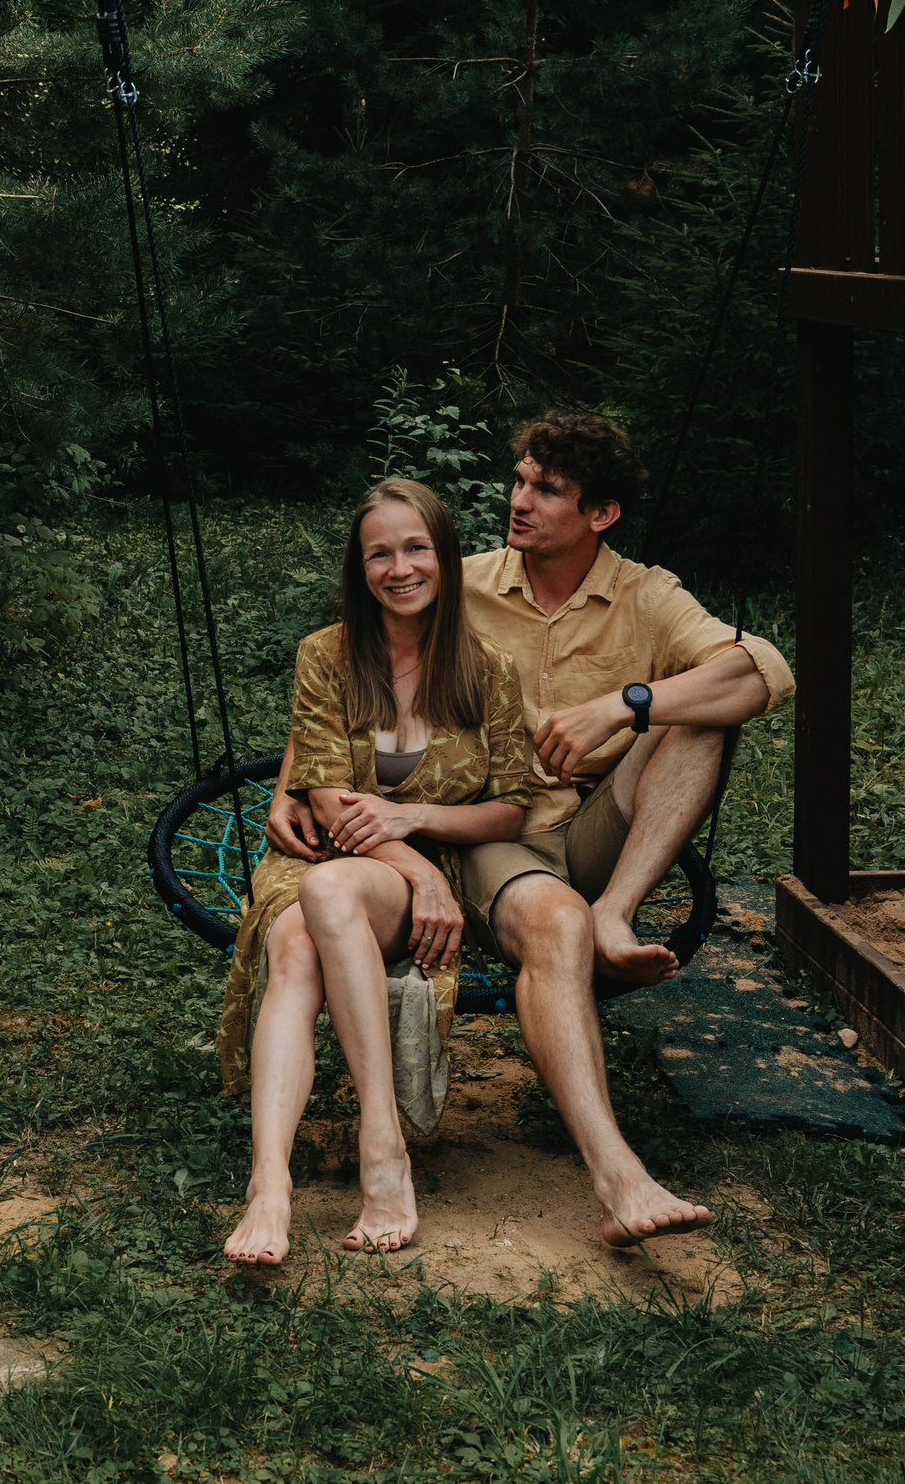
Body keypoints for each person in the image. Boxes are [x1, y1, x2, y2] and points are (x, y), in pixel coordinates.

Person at [268, 413, 793, 1248]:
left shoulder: (648, 598)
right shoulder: (456, 577)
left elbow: (764, 671)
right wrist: (295, 777)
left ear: (601, 514)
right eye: (519, 480)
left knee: (702, 711)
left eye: (547, 489)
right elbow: (353, 657)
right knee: (554, 923)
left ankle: (617, 909)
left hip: (601, 824)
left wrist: (623, 702)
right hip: (497, 827)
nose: (519, 501)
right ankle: (618, 1173)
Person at [219, 479, 531, 1264]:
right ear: (360, 569)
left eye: (416, 547)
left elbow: (513, 809)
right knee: (299, 937)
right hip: (323, 859)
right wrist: (415, 872)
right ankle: (278, 1183)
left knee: (327, 899)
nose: (400, 568)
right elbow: (322, 790)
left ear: (447, 556)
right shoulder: (326, 654)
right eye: (379, 553)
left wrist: (416, 832)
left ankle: (370, 1147)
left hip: (409, 865)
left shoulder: (488, 669)